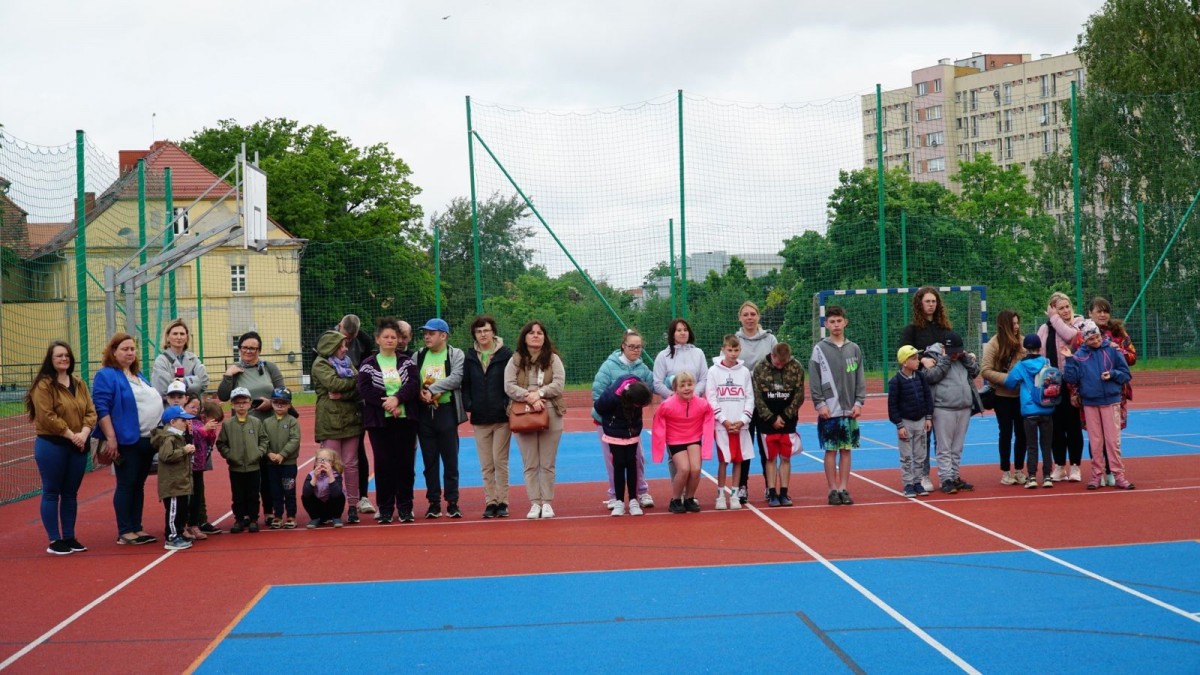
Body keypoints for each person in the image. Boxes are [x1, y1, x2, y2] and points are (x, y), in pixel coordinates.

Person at [93, 332, 164, 546]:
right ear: (113, 352)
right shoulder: (107, 375)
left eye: (132, 349)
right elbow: (102, 407)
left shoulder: (137, 375)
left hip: (147, 440)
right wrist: (111, 437)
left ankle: (137, 526)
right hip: (126, 440)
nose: (130, 352)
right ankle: (125, 530)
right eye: (125, 349)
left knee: (138, 485)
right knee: (126, 484)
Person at [26, 340, 97, 555]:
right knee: (51, 492)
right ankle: (54, 540)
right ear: (51, 359)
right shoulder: (44, 385)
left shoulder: (79, 383)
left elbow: (91, 412)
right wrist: (70, 435)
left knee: (70, 493)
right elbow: (47, 416)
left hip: (77, 445)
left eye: (66, 355)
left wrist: (84, 433)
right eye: (59, 356)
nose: (64, 359)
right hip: (52, 445)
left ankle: (69, 536)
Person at [217, 331, 286, 520]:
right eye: (245, 347)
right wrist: (228, 375)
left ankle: (270, 511)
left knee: (268, 472)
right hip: (244, 431)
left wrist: (271, 403)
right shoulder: (234, 371)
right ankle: (247, 513)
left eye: (253, 348)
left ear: (259, 350)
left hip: (269, 426)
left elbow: (283, 393)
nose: (249, 351)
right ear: (239, 349)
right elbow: (223, 396)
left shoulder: (270, 367)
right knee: (247, 475)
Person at [357, 317, 420, 524]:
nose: (390, 340)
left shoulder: (406, 361)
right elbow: (365, 389)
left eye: (394, 337)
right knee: (383, 465)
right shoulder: (368, 364)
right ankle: (384, 508)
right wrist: (387, 403)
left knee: (405, 464)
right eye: (386, 337)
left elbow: (413, 384)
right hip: (379, 422)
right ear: (377, 339)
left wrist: (397, 399)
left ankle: (405, 507)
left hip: (405, 420)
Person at [504, 320, 566, 519]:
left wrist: (539, 393)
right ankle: (534, 503)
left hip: (550, 413)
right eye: (531, 332)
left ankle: (547, 502)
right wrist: (529, 396)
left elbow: (558, 384)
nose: (536, 335)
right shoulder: (515, 360)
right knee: (530, 463)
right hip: (524, 414)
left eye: (540, 332)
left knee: (547, 463)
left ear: (545, 337)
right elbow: (509, 385)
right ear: (525, 337)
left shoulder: (553, 359)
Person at [1062, 320, 1135, 490]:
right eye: (1091, 339)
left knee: (1112, 441)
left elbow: (1126, 374)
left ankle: (1119, 475)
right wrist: (1069, 360)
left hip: (1110, 400)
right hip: (1090, 402)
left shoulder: (1112, 350)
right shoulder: (1080, 355)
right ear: (1085, 340)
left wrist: (1113, 374)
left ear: (1100, 335)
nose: (1095, 341)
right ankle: (1096, 475)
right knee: (1095, 442)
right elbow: (1071, 379)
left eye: (1096, 337)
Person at [592, 329, 655, 512]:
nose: (635, 350)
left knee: (637, 458)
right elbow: (598, 393)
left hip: (630, 424)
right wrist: (610, 412)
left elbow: (652, 387)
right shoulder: (609, 366)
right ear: (623, 346)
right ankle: (615, 495)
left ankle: (641, 492)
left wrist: (672, 381)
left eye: (639, 347)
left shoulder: (642, 369)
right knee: (614, 460)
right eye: (632, 347)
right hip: (609, 424)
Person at [809, 306, 866, 506]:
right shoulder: (819, 349)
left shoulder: (854, 349)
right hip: (829, 410)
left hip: (849, 410)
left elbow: (860, 378)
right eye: (832, 321)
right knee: (831, 450)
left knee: (846, 450)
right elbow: (814, 380)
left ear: (845, 322)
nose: (836, 325)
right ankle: (832, 489)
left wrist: (859, 402)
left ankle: (843, 487)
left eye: (839, 321)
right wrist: (820, 403)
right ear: (826, 324)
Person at [900, 286, 953, 493]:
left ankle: (949, 474)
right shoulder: (912, 330)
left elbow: (953, 349)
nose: (931, 304)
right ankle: (922, 474)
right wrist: (921, 359)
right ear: (919, 304)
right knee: (923, 435)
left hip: (944, 386)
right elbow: (903, 355)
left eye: (934, 301)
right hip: (921, 388)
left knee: (944, 435)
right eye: (927, 301)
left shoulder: (944, 328)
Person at [413, 318, 467, 519]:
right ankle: (433, 502)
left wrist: (431, 389)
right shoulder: (418, 355)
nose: (426, 336)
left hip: (446, 411)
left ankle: (452, 502)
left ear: (443, 335)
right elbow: (411, 379)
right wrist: (420, 393)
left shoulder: (455, 354)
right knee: (429, 461)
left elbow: (456, 378)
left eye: (431, 333)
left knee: (450, 460)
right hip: (424, 413)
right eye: (425, 333)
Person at [463, 315, 515, 519]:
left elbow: (511, 381)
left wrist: (505, 403)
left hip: (501, 417)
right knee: (486, 463)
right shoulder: (470, 357)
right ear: (474, 334)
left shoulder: (506, 354)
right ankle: (490, 501)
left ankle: (503, 501)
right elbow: (465, 384)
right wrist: (469, 404)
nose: (483, 334)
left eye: (486, 330)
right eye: (478, 331)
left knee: (499, 460)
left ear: (493, 331)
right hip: (479, 417)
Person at [1083, 299, 1137, 486]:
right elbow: (1077, 361)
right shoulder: (1081, 334)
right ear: (1090, 313)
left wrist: (1118, 350)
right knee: (1095, 436)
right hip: (1091, 396)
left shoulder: (1118, 334)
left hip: (1115, 393)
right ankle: (1098, 473)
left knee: (1113, 436)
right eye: (1099, 311)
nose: (1103, 314)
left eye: (1106, 311)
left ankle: (1114, 472)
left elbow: (1132, 357)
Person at [312, 329, 364, 523]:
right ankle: (328, 507)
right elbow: (333, 384)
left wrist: (344, 394)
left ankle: (352, 506)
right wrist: (352, 382)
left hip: (350, 418)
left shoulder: (347, 363)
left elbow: (359, 386)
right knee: (329, 465)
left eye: (345, 345)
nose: (345, 349)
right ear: (331, 347)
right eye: (341, 345)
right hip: (330, 421)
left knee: (351, 464)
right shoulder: (320, 364)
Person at [922, 332, 980, 495]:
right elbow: (931, 377)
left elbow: (975, 372)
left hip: (964, 407)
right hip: (943, 408)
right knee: (944, 447)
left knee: (957, 447)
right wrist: (945, 360)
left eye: (958, 351)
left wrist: (967, 358)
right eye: (952, 351)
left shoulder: (962, 358)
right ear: (945, 349)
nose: (955, 354)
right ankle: (945, 478)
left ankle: (954, 476)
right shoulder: (932, 356)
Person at [1036, 292, 1085, 482]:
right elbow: (1038, 352)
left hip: (1072, 384)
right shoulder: (1045, 328)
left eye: (1067, 307)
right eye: (1060, 308)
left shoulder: (1079, 323)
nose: (1065, 311)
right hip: (1052, 384)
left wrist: (1054, 318)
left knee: (1073, 426)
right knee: (1055, 427)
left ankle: (1075, 466)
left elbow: (1071, 336)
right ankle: (1059, 465)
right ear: (1052, 309)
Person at [650, 371, 714, 514]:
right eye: (682, 385)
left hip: (694, 438)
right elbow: (658, 421)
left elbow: (709, 415)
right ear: (675, 389)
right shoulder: (667, 405)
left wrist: (707, 440)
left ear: (694, 386)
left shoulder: (702, 404)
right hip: (675, 440)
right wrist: (660, 445)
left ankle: (690, 498)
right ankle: (675, 500)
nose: (687, 388)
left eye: (690, 384)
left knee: (696, 469)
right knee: (684, 469)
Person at [753, 342, 806, 507]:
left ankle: (784, 492)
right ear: (772, 355)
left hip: (788, 421)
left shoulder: (796, 367)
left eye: (785, 363)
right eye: (778, 363)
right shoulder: (760, 368)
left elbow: (799, 394)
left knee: (785, 457)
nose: (781, 366)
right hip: (767, 421)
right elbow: (757, 397)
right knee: (770, 457)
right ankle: (771, 492)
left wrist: (784, 416)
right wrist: (771, 418)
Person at [734, 301, 777, 504]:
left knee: (766, 445)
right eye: (746, 314)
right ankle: (742, 486)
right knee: (744, 445)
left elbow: (778, 366)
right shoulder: (735, 340)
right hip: (741, 402)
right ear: (740, 318)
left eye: (753, 314)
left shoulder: (770, 339)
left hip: (766, 401)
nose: (749, 317)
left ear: (758, 317)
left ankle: (770, 486)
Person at [707, 334, 754, 510]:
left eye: (736, 350)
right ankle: (720, 495)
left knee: (738, 460)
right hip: (721, 426)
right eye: (729, 350)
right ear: (723, 350)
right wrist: (724, 421)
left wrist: (742, 421)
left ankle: (734, 495)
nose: (733, 353)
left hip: (741, 426)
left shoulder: (744, 372)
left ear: (740, 351)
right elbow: (711, 399)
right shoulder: (713, 371)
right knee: (723, 461)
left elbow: (750, 398)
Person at [594, 376, 653, 516]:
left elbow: (638, 414)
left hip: (632, 433)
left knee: (632, 463)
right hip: (614, 433)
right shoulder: (613, 396)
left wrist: (636, 429)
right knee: (619, 464)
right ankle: (619, 501)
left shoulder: (638, 389)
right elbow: (598, 407)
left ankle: (634, 500)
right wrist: (614, 397)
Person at [981, 309, 1027, 485]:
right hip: (1002, 396)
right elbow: (985, 370)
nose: (1016, 327)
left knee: (1022, 433)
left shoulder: (1023, 343)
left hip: (1021, 396)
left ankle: (1019, 469)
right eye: (1013, 324)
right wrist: (1007, 379)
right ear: (1004, 325)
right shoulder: (994, 344)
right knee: (1006, 433)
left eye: (1017, 323)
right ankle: (1006, 471)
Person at [1004, 334, 1057, 489]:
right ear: (1040, 347)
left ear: (1025, 348)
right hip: (1047, 408)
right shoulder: (1046, 362)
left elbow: (1009, 383)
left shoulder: (1020, 366)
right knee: (1046, 445)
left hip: (1029, 410)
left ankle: (1032, 476)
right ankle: (1047, 476)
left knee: (1031, 445)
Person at [338, 314, 377, 518]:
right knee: (332, 452)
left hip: (356, 402)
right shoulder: (326, 339)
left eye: (352, 338)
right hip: (333, 408)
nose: (349, 342)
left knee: (357, 449)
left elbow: (364, 374)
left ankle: (362, 496)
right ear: (339, 327)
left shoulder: (365, 340)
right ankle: (331, 496)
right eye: (346, 337)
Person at [216, 387, 269, 533]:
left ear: (250, 403)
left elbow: (264, 439)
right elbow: (221, 443)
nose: (241, 406)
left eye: (244, 402)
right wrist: (230, 455)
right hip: (236, 467)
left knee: (253, 494)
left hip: (253, 466)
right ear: (232, 404)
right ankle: (239, 519)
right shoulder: (228, 424)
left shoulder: (256, 422)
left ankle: (253, 519)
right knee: (238, 495)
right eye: (237, 402)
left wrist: (259, 453)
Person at [887, 346, 933, 498]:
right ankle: (908, 483)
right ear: (904, 362)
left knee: (920, 454)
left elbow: (927, 397)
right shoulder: (895, 381)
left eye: (917, 358)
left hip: (921, 421)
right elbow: (892, 406)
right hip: (906, 423)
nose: (917, 361)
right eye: (913, 358)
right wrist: (899, 425)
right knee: (906, 455)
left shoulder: (920, 377)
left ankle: (918, 482)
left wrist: (928, 417)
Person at [150, 405, 196, 551]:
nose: (186, 423)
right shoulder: (169, 438)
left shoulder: (178, 436)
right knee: (173, 511)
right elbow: (166, 456)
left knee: (182, 510)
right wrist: (184, 450)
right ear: (173, 422)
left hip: (181, 481)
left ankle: (179, 532)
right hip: (173, 484)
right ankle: (172, 536)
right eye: (183, 420)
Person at [262, 387, 301, 529]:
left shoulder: (292, 421)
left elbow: (294, 439)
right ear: (271, 403)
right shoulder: (266, 422)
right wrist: (269, 453)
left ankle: (291, 516)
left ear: (289, 404)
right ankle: (277, 516)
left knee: (289, 490)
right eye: (276, 402)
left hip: (288, 464)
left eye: (283, 403)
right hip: (272, 464)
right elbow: (263, 440)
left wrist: (282, 454)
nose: (279, 405)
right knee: (275, 491)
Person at [185, 396, 223, 538]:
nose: (195, 410)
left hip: (199, 465)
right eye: (192, 407)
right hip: (189, 466)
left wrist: (210, 432)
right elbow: (191, 435)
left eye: (197, 407)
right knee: (188, 496)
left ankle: (196, 523)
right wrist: (204, 429)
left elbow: (209, 441)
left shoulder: (200, 423)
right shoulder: (192, 423)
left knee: (198, 495)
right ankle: (185, 524)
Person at [150, 318, 210, 398]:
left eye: (182, 334)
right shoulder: (161, 361)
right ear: (167, 337)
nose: (179, 337)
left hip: (192, 409)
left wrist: (183, 381)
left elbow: (204, 382)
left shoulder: (193, 359)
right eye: (175, 334)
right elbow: (163, 389)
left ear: (186, 338)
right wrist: (193, 382)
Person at [303, 448, 347, 528]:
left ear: (332, 463)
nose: (322, 462)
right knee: (305, 496)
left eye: (327, 460)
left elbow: (336, 494)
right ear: (315, 462)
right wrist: (315, 477)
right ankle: (315, 518)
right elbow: (306, 493)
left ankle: (336, 517)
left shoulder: (336, 475)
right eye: (320, 459)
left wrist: (330, 475)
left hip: (331, 507)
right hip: (319, 507)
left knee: (340, 495)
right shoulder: (311, 475)